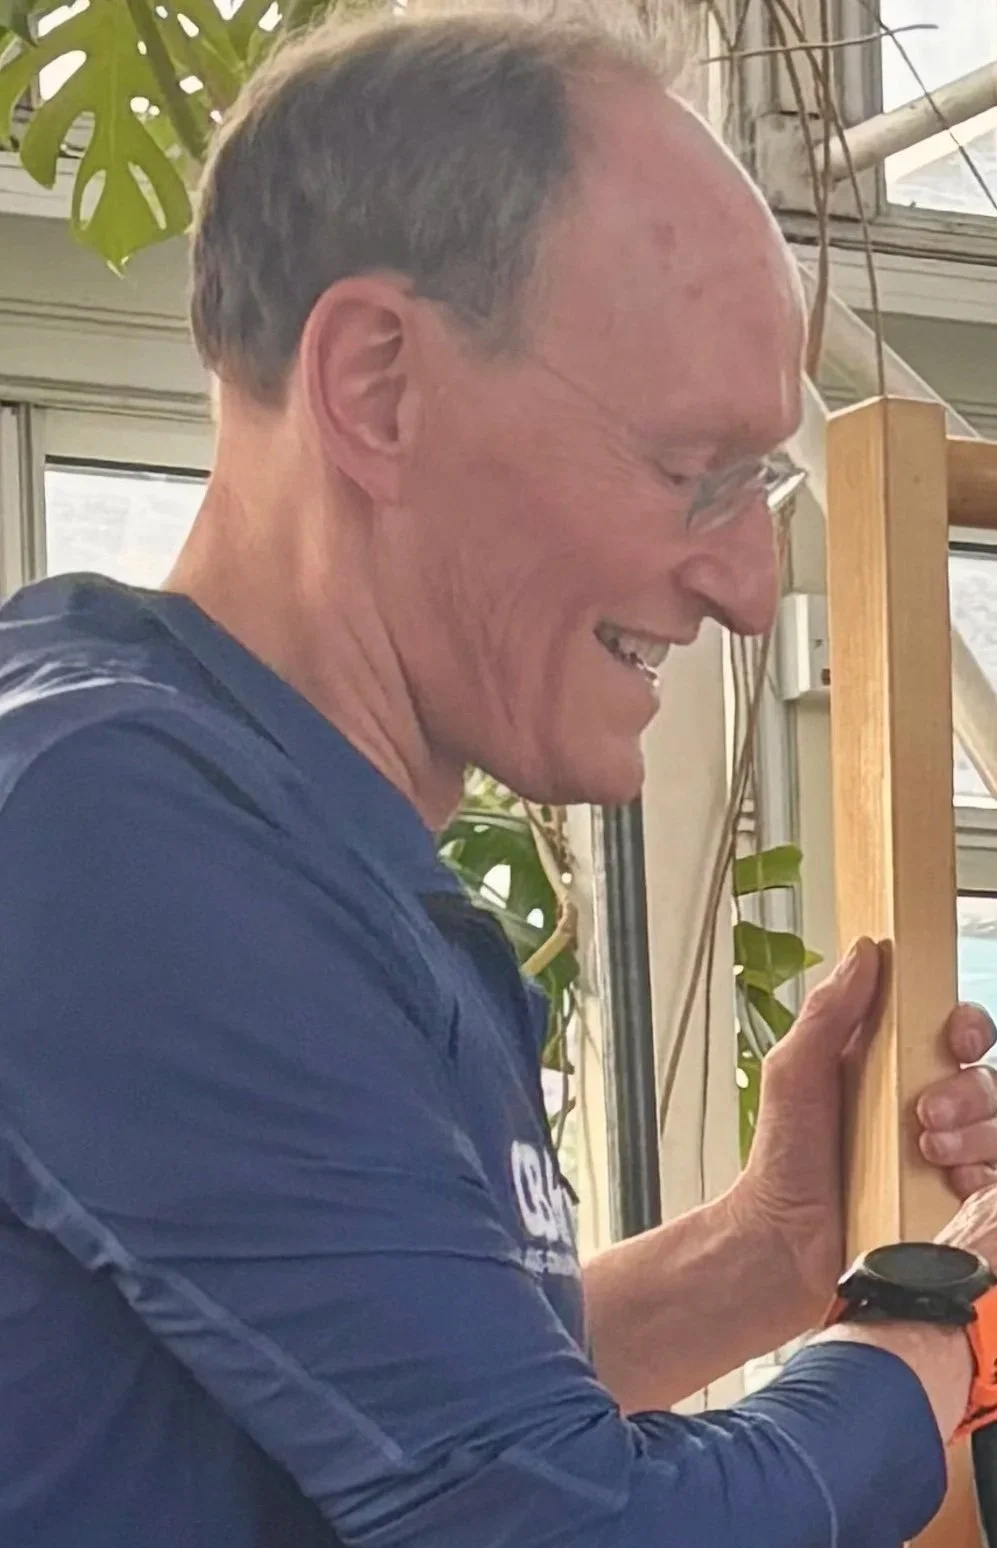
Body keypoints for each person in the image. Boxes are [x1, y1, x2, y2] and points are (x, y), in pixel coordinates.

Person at [1, 12, 996, 1548]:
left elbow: (386, 1408)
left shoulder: (278, 831)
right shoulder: (113, 823)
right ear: (378, 384)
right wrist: (934, 1347)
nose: (748, 587)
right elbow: (557, 1526)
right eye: (698, 473)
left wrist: (769, 1255)